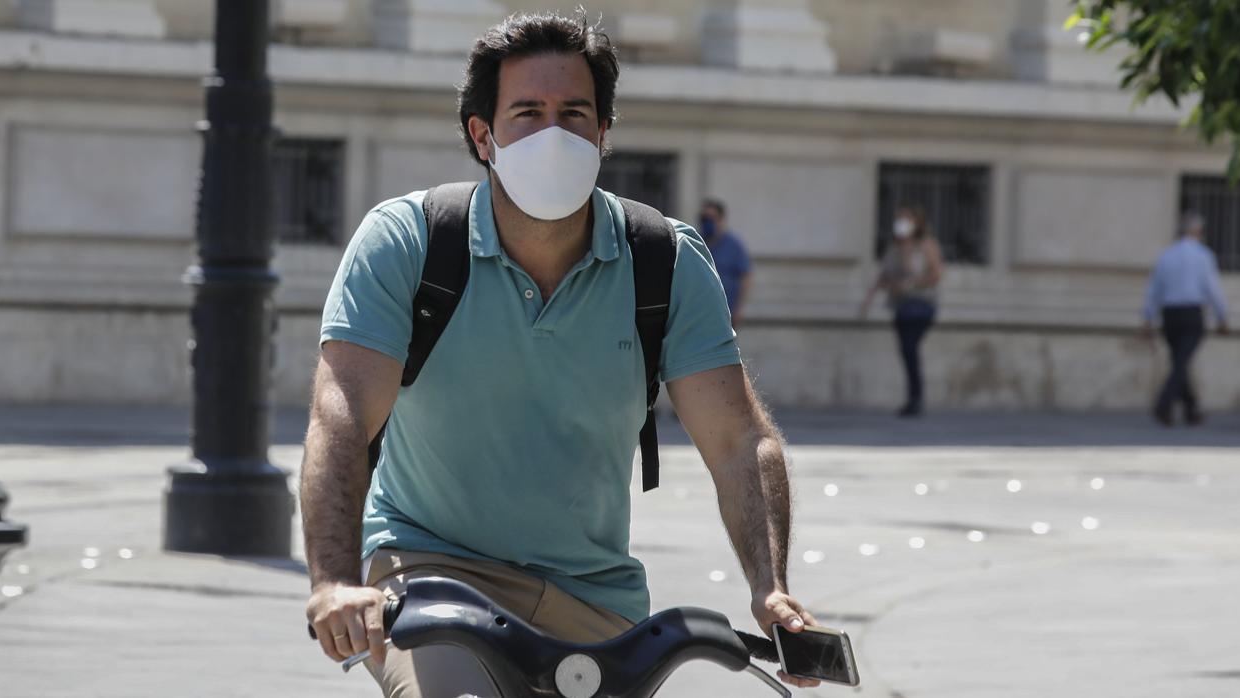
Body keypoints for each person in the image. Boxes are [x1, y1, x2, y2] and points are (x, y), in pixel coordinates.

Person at [299, 11, 821, 696]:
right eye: (527, 112)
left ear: (603, 134)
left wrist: (770, 587)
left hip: (594, 598)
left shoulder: (663, 260)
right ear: (482, 136)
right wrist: (334, 581)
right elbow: (340, 417)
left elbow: (737, 440)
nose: (554, 133)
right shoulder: (409, 241)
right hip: (431, 576)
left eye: (574, 113)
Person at [1142, 211, 1230, 426]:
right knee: (1181, 362)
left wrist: (1148, 317)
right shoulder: (1203, 255)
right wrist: (1222, 316)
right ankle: (1164, 404)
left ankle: (1191, 409)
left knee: (1179, 361)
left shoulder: (1166, 255)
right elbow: (1212, 289)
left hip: (1170, 315)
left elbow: (1154, 290)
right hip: (1191, 314)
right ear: (1198, 231)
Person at [859, 206, 944, 417]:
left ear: (917, 222)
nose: (902, 223)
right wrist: (868, 301)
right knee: (907, 352)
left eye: (906, 219)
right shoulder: (894, 247)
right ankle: (914, 399)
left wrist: (910, 284)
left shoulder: (926, 245)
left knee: (909, 349)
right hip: (901, 306)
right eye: (899, 219)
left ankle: (915, 398)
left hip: (921, 306)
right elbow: (883, 276)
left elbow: (935, 274)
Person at [699, 199, 753, 327]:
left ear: (721, 219)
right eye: (704, 218)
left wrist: (739, 309)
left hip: (726, 314)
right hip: (700, 314)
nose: (707, 222)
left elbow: (746, 277)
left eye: (712, 218)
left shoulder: (734, 245)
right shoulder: (694, 242)